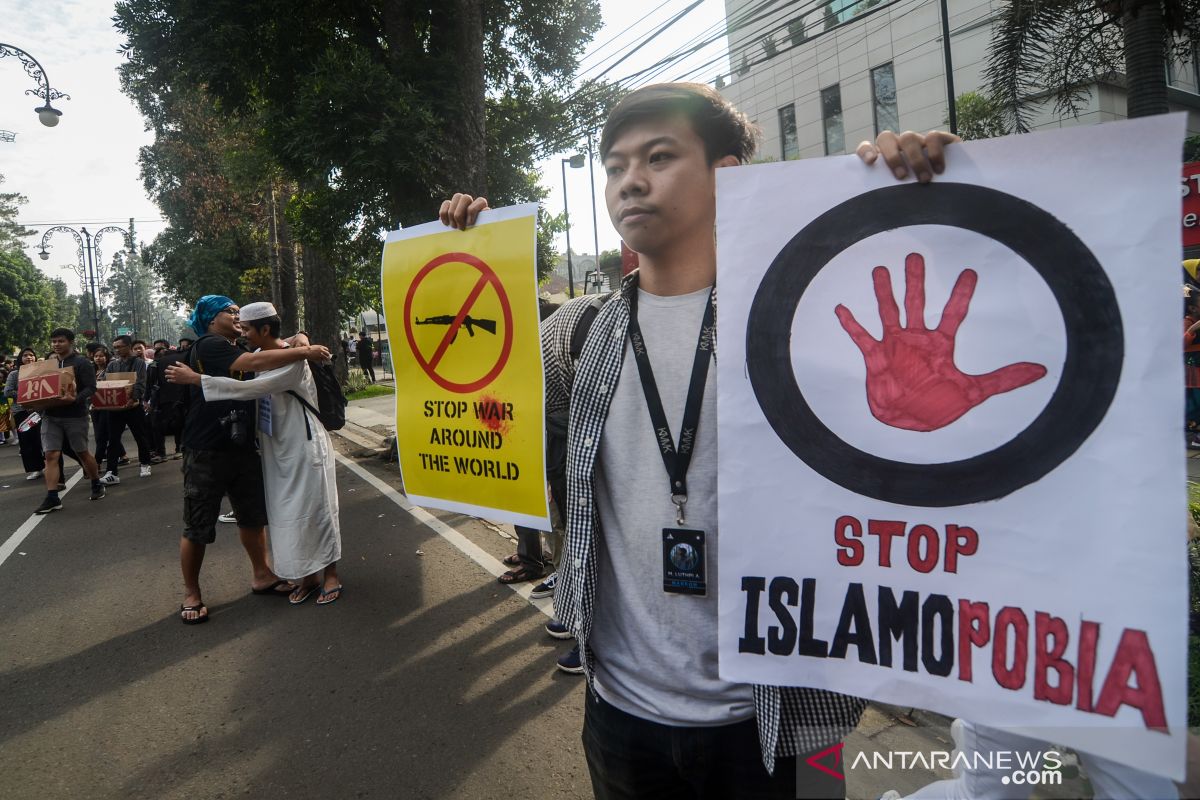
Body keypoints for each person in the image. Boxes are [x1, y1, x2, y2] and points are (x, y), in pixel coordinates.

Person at [440, 82, 957, 799]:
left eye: (658, 156)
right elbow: (478, 402)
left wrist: (932, 196)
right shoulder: (577, 334)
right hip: (618, 712)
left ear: (726, 172)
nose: (631, 181)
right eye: (615, 165)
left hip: (779, 719)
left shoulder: (805, 325)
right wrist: (466, 259)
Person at [167, 302, 343, 605]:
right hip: (273, 448)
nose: (241, 331)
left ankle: (330, 574)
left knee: (317, 508)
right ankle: (306, 574)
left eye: (246, 327)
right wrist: (302, 340)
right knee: (286, 514)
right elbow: (257, 360)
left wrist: (197, 380)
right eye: (232, 316)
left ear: (263, 329)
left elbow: (248, 389)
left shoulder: (291, 362)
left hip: (303, 443)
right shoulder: (259, 355)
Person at [33, 328, 106, 513]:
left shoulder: (82, 363)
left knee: (81, 452)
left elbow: (91, 388)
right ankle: (52, 497)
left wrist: (75, 399)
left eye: (60, 341)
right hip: (50, 416)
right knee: (51, 455)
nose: (56, 345)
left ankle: (96, 483)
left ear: (70, 342)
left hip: (75, 416)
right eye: (54, 342)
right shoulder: (48, 364)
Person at [99, 335, 154, 483]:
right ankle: (112, 472)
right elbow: (107, 384)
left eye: (119, 347)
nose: (117, 350)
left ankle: (144, 463)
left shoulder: (139, 363)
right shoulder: (112, 365)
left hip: (133, 407)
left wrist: (134, 398)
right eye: (115, 347)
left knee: (140, 436)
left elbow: (141, 383)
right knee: (113, 439)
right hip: (115, 408)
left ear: (129, 347)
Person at [4, 348, 45, 479]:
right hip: (22, 411)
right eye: (25, 355)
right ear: (20, 358)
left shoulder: (41, 372)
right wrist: (27, 394)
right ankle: (36, 469)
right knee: (27, 442)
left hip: (39, 411)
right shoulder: (14, 374)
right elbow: (8, 391)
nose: (29, 357)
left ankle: (48, 465)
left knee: (41, 439)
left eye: (31, 355)